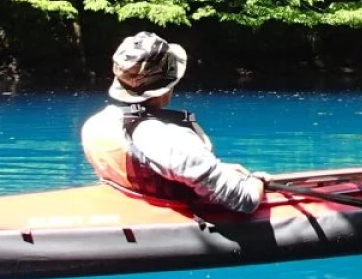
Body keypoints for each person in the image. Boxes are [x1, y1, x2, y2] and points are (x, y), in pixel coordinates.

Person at [81, 32, 266, 214]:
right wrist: (256, 180)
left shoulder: (96, 124)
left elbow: (150, 164)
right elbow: (245, 200)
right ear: (166, 87)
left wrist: (216, 170)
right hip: (173, 221)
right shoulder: (172, 141)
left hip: (134, 206)